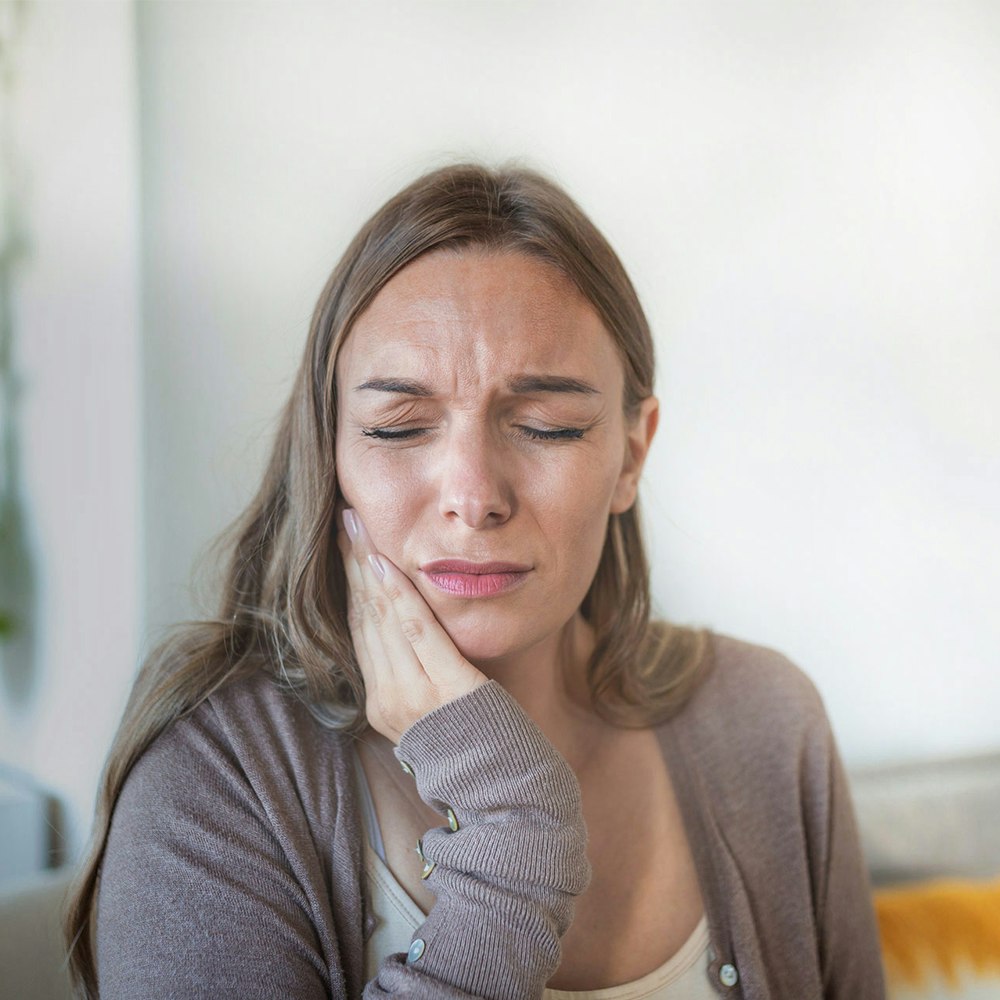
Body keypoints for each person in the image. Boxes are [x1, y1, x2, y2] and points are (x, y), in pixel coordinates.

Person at [64, 163, 886, 999]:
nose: (473, 496)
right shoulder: (217, 778)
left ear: (632, 454)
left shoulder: (767, 721)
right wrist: (514, 829)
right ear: (332, 451)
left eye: (546, 426)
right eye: (400, 427)